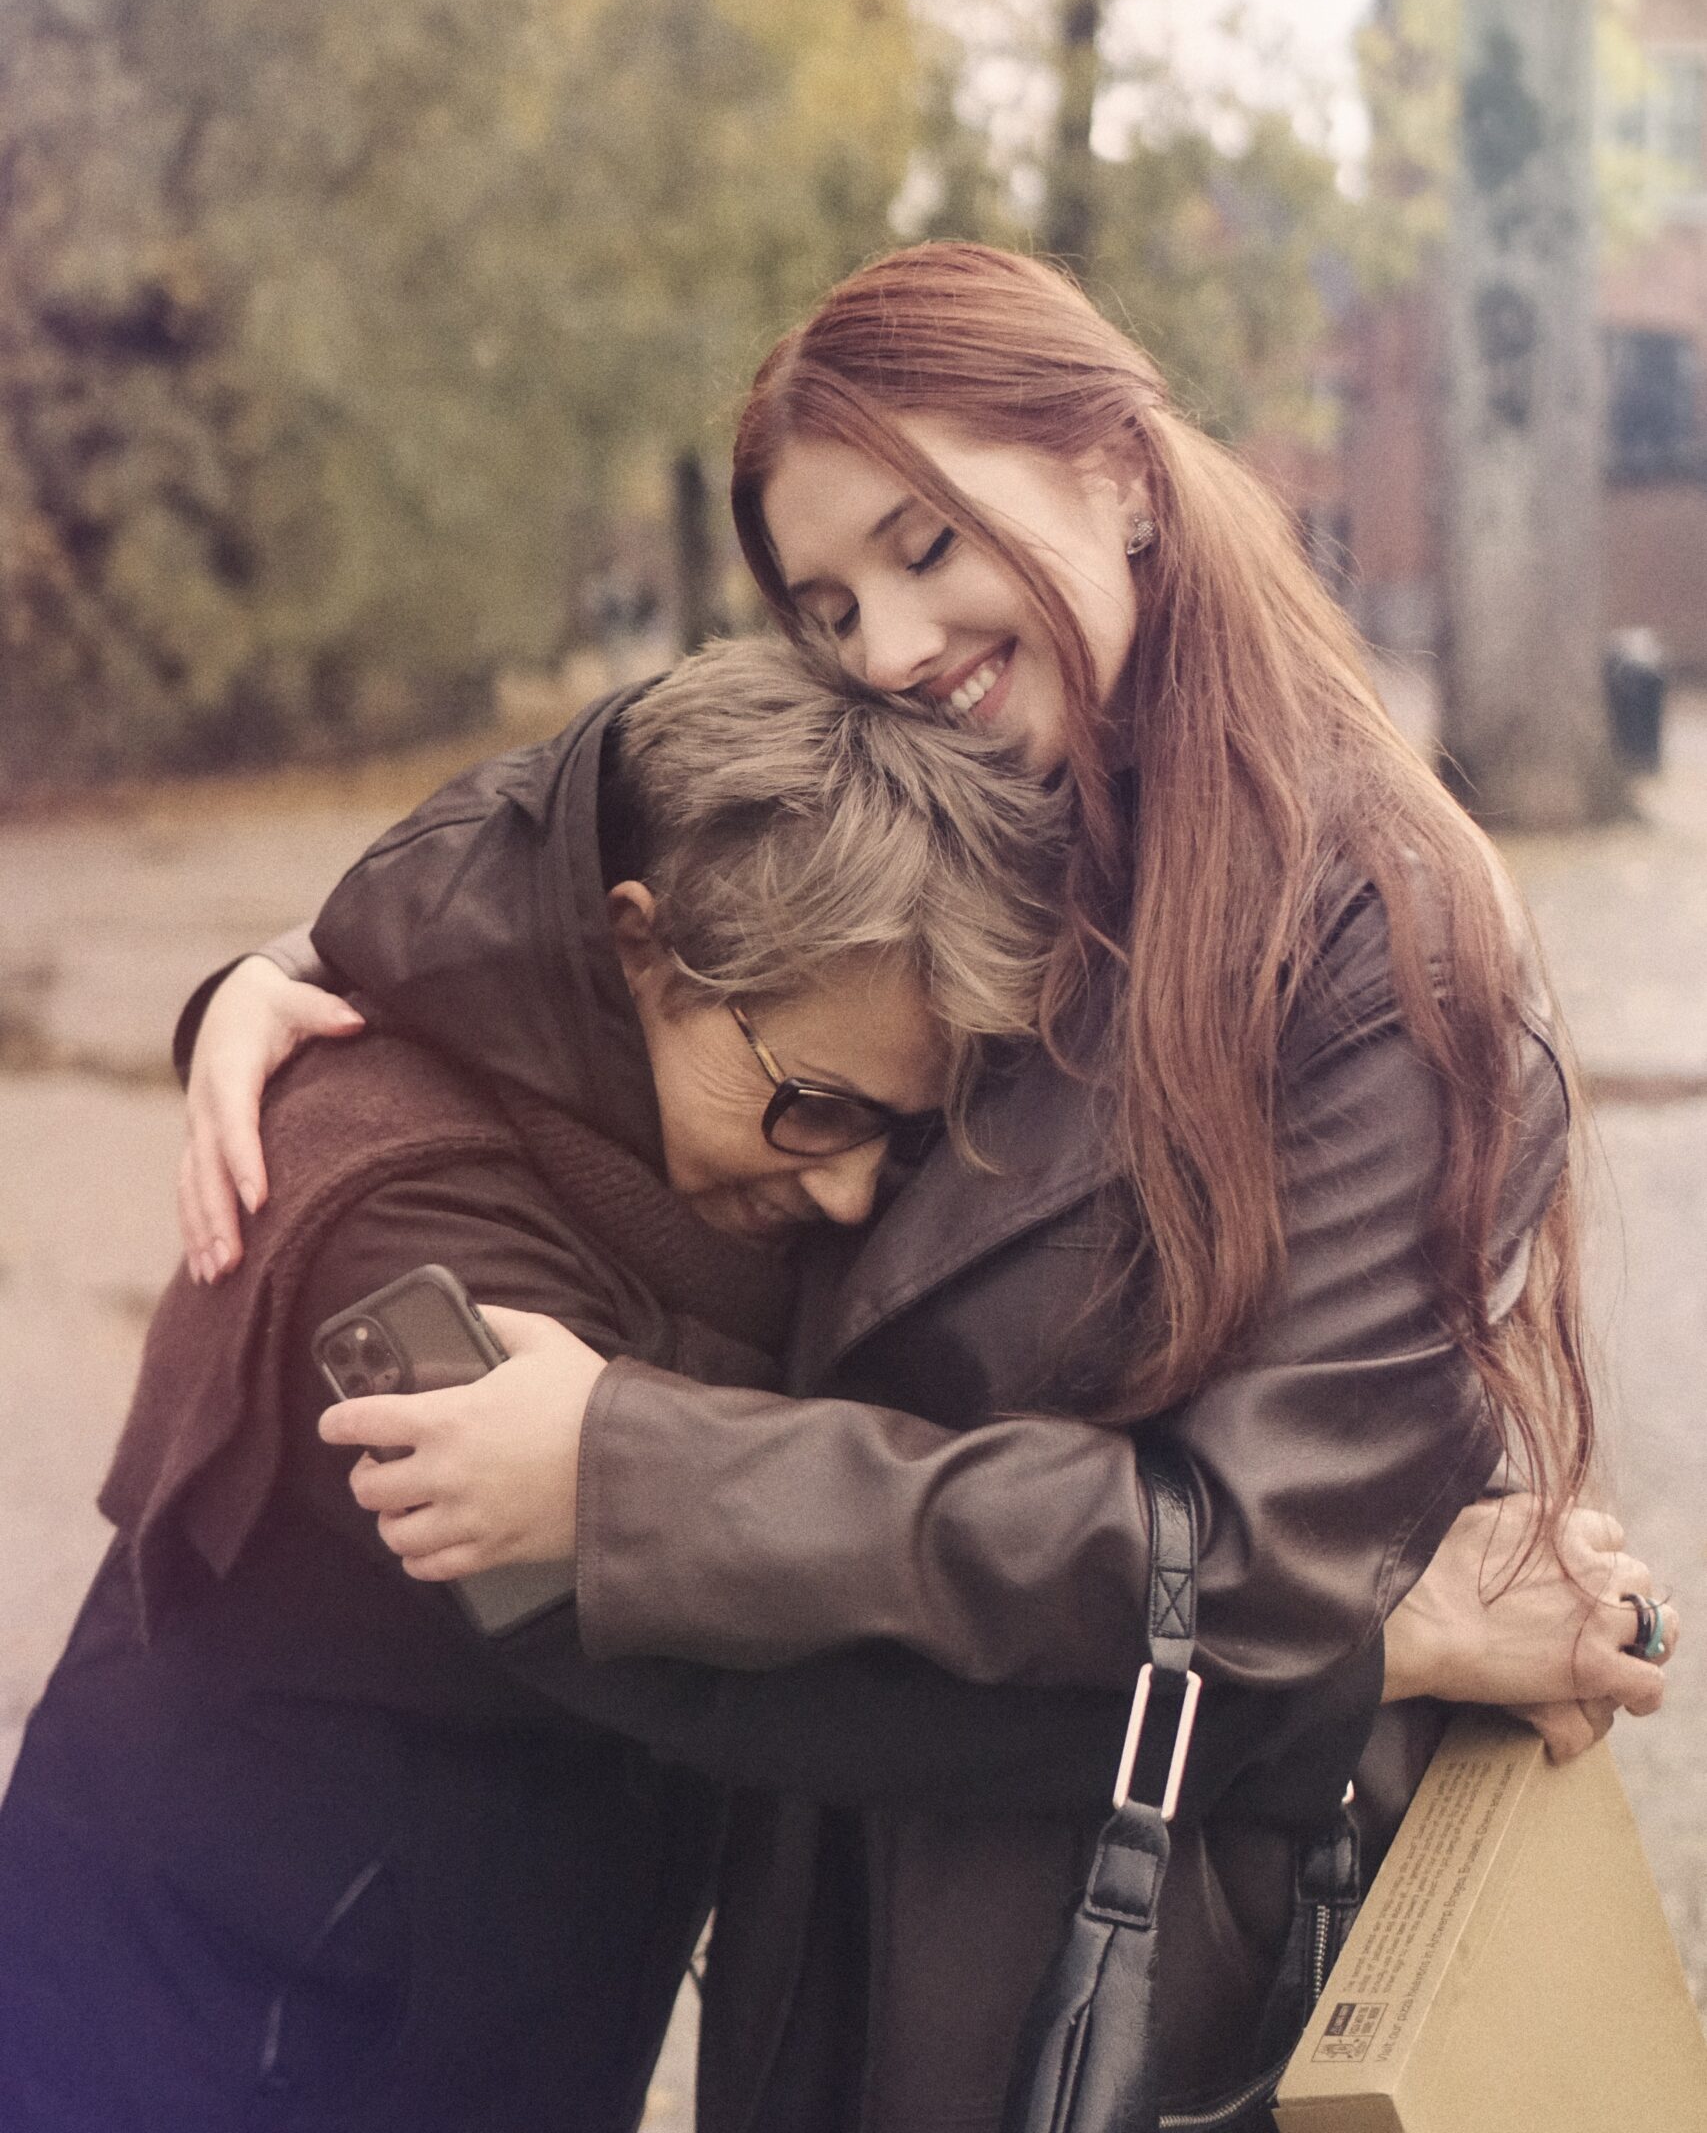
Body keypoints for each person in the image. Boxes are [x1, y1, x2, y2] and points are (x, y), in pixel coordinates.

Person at [173, 245, 1675, 2132]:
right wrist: (282, 979)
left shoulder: (1371, 938)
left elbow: (1260, 1565)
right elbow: (569, 848)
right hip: (833, 1909)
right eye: (824, 601)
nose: (884, 644)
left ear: (1123, 475)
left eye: (924, 542)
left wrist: (630, 1469)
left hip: (1147, 1948)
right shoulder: (964, 817)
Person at [0, 636, 1144, 2133]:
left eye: (901, 1136)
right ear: (637, 948)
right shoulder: (399, 1246)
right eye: (816, 1111)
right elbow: (758, 1671)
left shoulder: (663, 1137)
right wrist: (1292, 1675)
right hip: (227, 2037)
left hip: (463, 2008)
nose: (858, 1197)